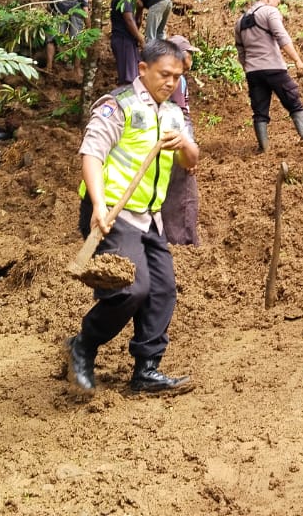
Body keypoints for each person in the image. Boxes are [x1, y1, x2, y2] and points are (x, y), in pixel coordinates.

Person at [65, 39, 200, 395]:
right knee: (130, 289)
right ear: (143, 70)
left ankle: (146, 369)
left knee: (162, 290)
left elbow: (191, 161)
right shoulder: (117, 106)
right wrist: (97, 205)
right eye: (164, 74)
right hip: (113, 212)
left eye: (177, 77)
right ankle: (83, 345)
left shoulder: (173, 114)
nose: (171, 83)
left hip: (149, 217)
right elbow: (92, 154)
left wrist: (184, 144)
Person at [235, 0, 303, 152]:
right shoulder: (269, 11)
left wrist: (249, 67)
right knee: (293, 102)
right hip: (274, 68)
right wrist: (297, 60)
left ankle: (264, 148)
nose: (277, 6)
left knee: (259, 110)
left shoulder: (240, 21)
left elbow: (241, 51)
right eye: (277, 2)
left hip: (253, 72)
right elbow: (281, 36)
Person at [162, 35, 201, 246]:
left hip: (176, 137)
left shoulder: (177, 78)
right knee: (183, 192)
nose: (191, 59)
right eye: (188, 54)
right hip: (176, 139)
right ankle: (184, 243)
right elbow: (179, 117)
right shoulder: (174, 81)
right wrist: (188, 148)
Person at [109, 0, 145, 85]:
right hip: (123, 40)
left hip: (127, 40)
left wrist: (140, 8)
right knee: (128, 78)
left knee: (134, 75)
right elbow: (129, 20)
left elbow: (135, 22)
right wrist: (141, 38)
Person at [46, 0, 87, 74]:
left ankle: (49, 66)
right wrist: (89, 27)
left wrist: (54, 14)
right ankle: (77, 69)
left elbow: (48, 6)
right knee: (77, 41)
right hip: (75, 12)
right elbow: (85, 11)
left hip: (59, 12)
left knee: (51, 40)